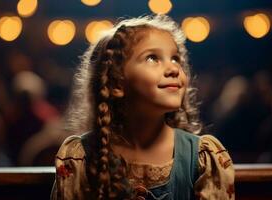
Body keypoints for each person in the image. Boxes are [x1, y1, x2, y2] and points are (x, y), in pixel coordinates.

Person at [51, 15, 234, 200]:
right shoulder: (81, 156)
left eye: (176, 59)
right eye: (152, 58)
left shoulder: (202, 156)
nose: (174, 69)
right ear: (116, 83)